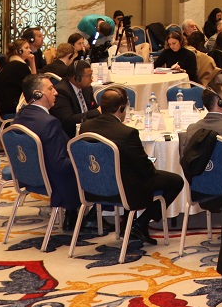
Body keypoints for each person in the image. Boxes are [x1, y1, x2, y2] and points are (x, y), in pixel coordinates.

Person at [79, 87, 185, 244]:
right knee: (176, 181)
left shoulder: (85, 127)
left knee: (131, 173)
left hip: (92, 186)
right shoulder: (127, 133)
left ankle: (135, 224)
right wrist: (150, 163)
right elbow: (146, 170)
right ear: (121, 108)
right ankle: (141, 223)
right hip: (123, 190)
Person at [12, 75, 82, 231]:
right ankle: (90, 216)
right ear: (38, 94)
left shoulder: (19, 117)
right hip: (50, 179)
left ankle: (73, 214)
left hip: (28, 176)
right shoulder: (49, 122)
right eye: (50, 89)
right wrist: (81, 160)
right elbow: (60, 164)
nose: (55, 92)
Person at [50, 59, 96, 138]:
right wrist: (96, 112)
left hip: (88, 128)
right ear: (76, 78)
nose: (92, 79)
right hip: (71, 134)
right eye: (88, 76)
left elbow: (93, 107)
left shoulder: (87, 88)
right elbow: (68, 120)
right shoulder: (61, 91)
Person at [0, 39, 34, 119]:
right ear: (19, 51)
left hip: (3, 107)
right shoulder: (20, 66)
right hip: (13, 108)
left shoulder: (9, 65)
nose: (30, 50)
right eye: (26, 48)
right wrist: (32, 62)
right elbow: (34, 84)